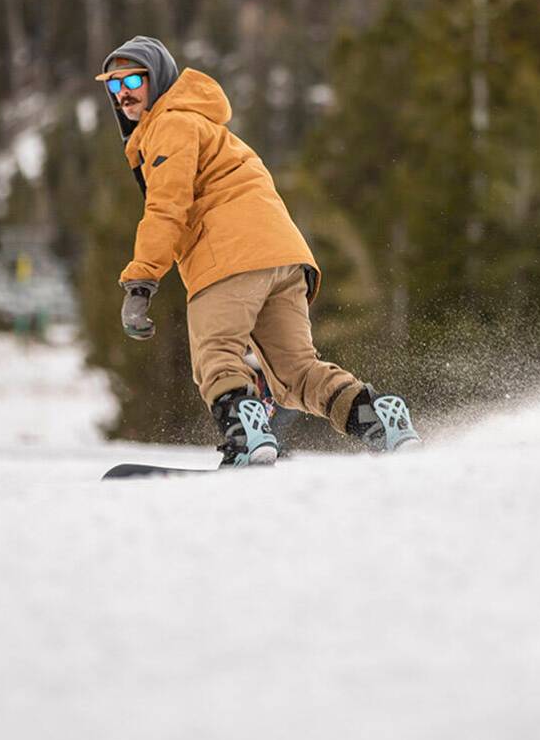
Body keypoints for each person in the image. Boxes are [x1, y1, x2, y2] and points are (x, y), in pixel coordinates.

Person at [96, 35, 419, 466]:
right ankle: (378, 418)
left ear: (159, 80)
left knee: (216, 356)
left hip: (229, 257)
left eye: (132, 80)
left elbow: (166, 207)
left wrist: (141, 282)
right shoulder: (207, 126)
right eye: (113, 86)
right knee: (296, 373)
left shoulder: (170, 125)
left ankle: (247, 439)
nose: (123, 95)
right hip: (283, 258)